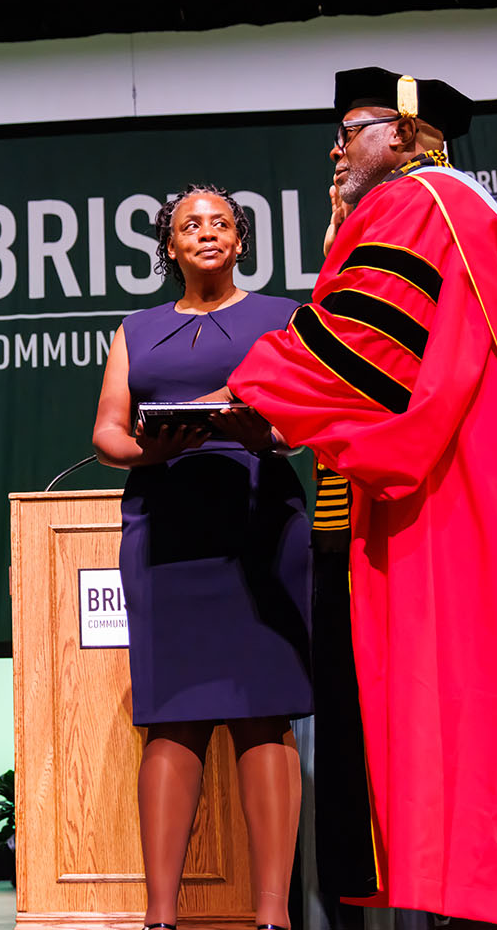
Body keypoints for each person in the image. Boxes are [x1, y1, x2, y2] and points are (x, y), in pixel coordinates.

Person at [219, 67, 497, 929]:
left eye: (352, 130)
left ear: (407, 134)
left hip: (453, 504)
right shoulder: (460, 209)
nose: (334, 149)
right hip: (472, 489)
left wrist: (258, 383)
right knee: (485, 710)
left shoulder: (416, 205)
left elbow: (364, 343)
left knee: (462, 702)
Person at [91, 187, 309, 930]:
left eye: (221, 222)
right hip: (166, 528)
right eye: (190, 224)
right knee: (172, 718)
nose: (206, 232)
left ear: (241, 240)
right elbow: (107, 433)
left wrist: (266, 437)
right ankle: (161, 917)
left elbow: (304, 416)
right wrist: (145, 451)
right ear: (170, 247)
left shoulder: (282, 316)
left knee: (264, 711)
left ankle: (272, 916)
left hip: (257, 521)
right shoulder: (136, 327)